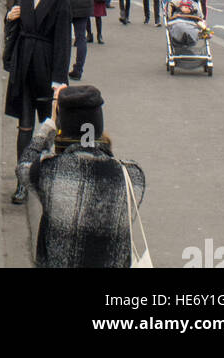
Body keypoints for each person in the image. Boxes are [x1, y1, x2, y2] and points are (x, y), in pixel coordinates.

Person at [16, 84, 147, 268]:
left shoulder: (49, 172)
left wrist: (50, 124)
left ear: (64, 126)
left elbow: (24, 165)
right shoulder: (132, 176)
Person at [3, 0, 72, 202]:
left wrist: (59, 80)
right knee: (24, 128)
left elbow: (64, 39)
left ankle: (45, 179)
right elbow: (13, 26)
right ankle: (22, 181)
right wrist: (10, 18)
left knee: (47, 128)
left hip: (46, 66)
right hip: (23, 65)